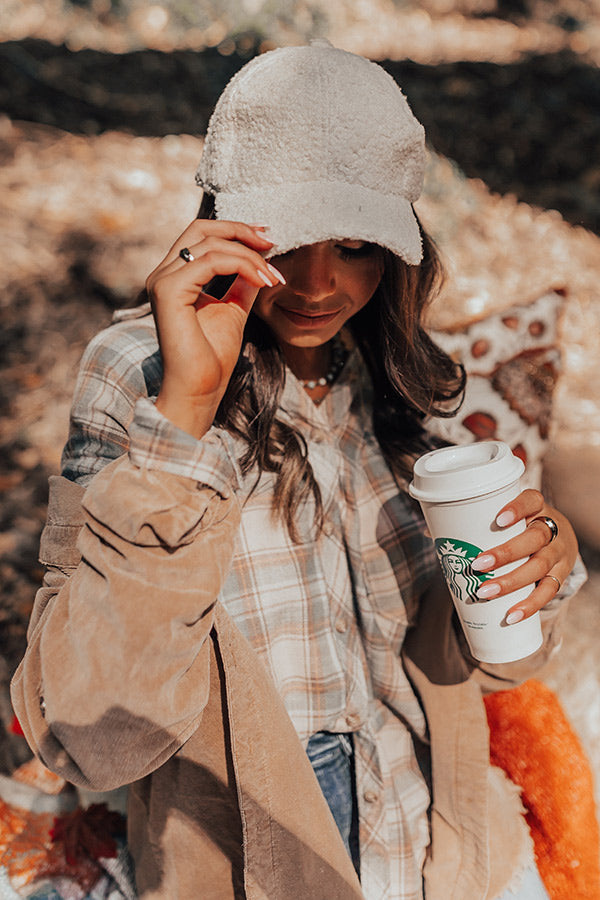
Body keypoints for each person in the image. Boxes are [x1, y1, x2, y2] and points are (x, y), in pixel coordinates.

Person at [11, 41, 584, 900]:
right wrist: (185, 417)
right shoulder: (137, 366)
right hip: (243, 851)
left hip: (431, 847)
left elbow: (489, 663)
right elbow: (96, 732)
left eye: (356, 245)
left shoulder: (395, 370)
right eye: (289, 243)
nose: (317, 285)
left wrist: (541, 567)